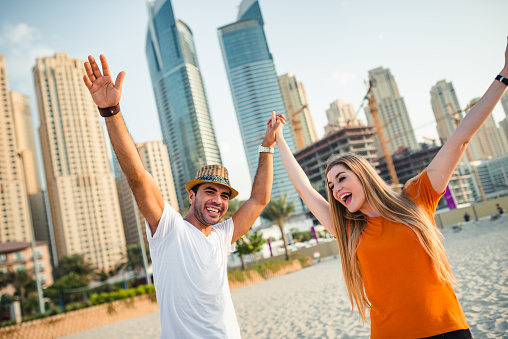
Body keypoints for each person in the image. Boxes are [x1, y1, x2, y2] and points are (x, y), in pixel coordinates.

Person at [271, 39, 508, 338]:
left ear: (363, 175)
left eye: (342, 178)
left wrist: (504, 74)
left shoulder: (416, 198)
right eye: (331, 185)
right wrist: (278, 139)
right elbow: (306, 190)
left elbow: (460, 137)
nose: (335, 189)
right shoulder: (349, 230)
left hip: (447, 330)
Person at [83, 55, 281, 338]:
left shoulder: (222, 236)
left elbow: (259, 200)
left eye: (224, 196)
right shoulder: (169, 229)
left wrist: (267, 146)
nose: (218, 200)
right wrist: (111, 111)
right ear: (192, 195)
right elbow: (138, 178)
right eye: (209, 191)